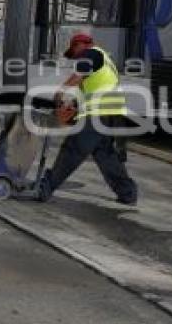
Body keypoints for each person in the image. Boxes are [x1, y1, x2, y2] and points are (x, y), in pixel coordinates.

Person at [37, 33, 138, 205]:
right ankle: (127, 193)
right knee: (106, 156)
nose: (75, 58)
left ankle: (46, 187)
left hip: (98, 113)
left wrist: (61, 91)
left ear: (81, 45)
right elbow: (95, 89)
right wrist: (75, 104)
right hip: (112, 113)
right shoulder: (105, 60)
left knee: (73, 149)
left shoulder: (92, 53)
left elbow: (79, 75)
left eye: (75, 52)